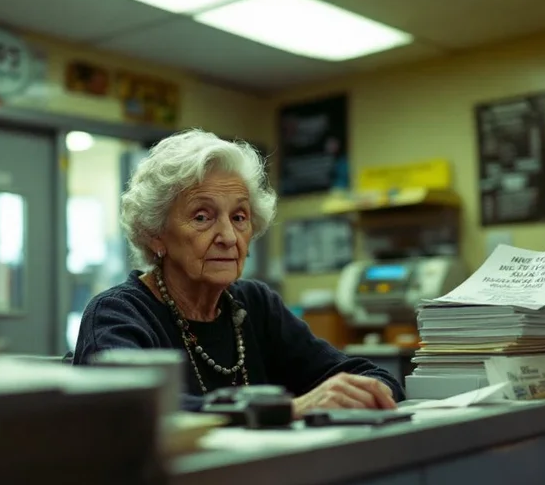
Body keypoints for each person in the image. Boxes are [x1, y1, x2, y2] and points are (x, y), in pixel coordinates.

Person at [72, 129, 403, 415]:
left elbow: (365, 375)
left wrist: (371, 393)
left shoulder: (254, 304)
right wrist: (287, 409)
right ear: (155, 234)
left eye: (239, 217)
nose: (229, 237)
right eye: (202, 217)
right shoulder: (118, 314)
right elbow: (131, 409)